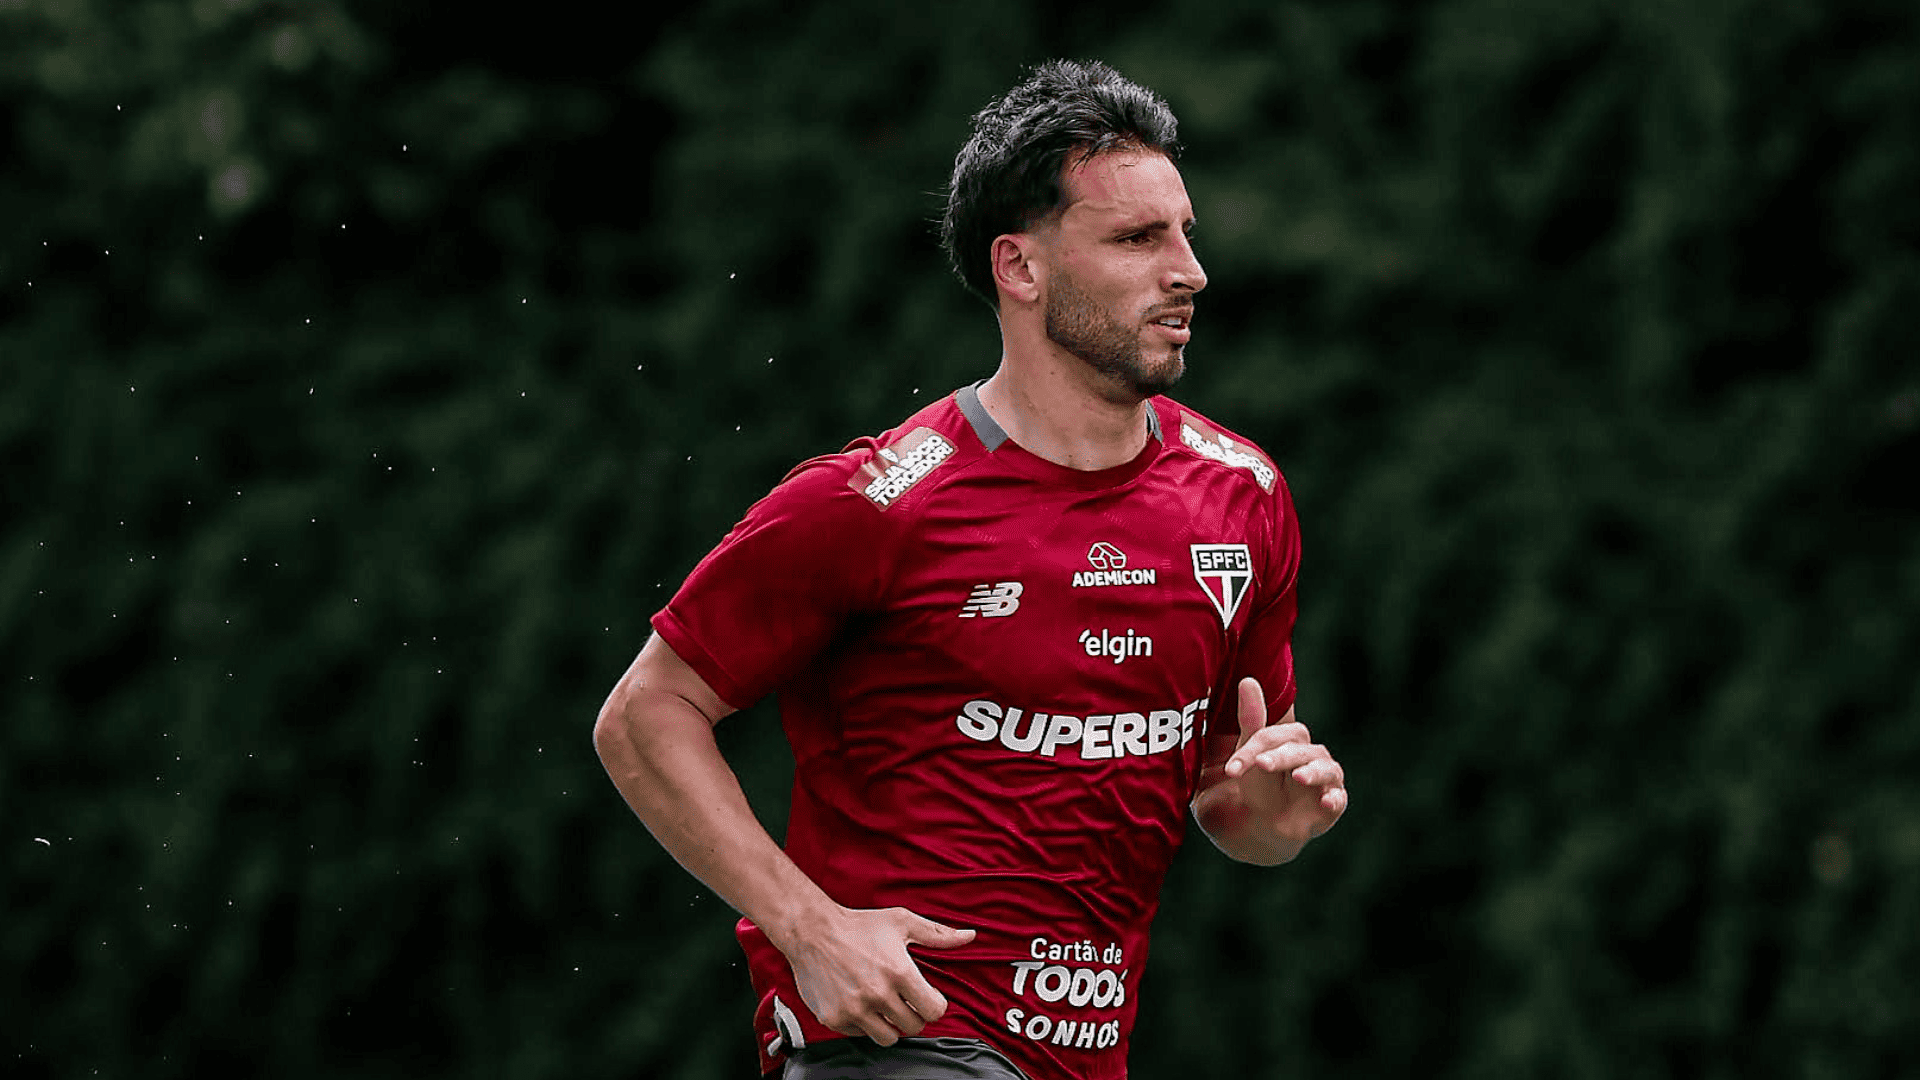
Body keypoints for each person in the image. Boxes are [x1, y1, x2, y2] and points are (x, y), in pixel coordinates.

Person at [593, 58, 1348, 1080]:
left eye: (1185, 234)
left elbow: (1224, 788)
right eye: (1137, 239)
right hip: (897, 1042)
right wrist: (808, 929)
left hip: (1084, 1056)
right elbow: (645, 714)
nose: (1188, 271)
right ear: (1020, 269)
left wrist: (1268, 820)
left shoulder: (1242, 496)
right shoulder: (873, 502)